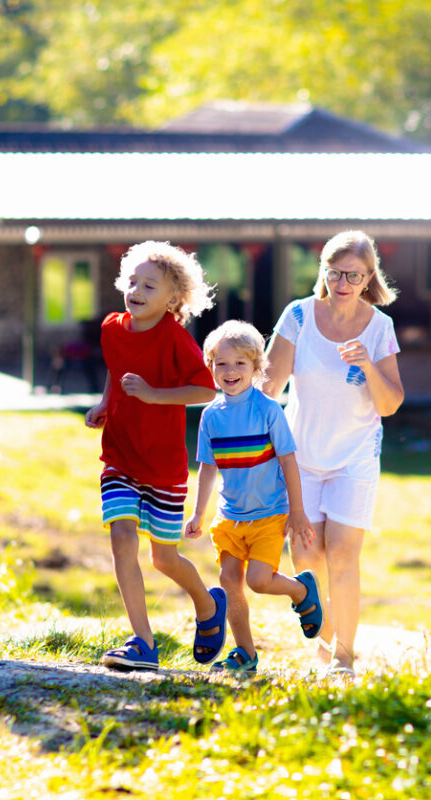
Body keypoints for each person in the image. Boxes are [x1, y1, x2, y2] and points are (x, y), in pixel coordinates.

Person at [263, 230, 404, 676]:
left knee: (342, 554)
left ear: (368, 278)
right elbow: (269, 385)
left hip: (355, 458)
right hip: (299, 458)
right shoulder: (298, 317)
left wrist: (366, 364)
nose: (342, 282)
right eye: (334, 272)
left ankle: (343, 657)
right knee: (306, 558)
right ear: (322, 270)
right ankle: (320, 650)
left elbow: (390, 404)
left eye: (353, 275)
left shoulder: (381, 327)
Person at [85, 241, 226, 671]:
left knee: (163, 557)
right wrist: (106, 403)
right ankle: (142, 643)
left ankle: (207, 605)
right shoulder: (111, 328)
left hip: (164, 467)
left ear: (173, 299)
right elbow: (115, 367)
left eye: (149, 284)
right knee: (122, 538)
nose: (137, 290)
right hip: (121, 458)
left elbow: (205, 389)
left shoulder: (175, 338)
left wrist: (153, 394)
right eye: (132, 281)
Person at [183, 321, 323, 675]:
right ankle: (245, 653)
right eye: (222, 364)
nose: (231, 372)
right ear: (211, 367)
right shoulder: (211, 416)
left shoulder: (268, 410)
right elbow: (208, 468)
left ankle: (301, 591)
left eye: (240, 364)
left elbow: (289, 461)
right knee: (230, 582)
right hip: (230, 517)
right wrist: (199, 513)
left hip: (269, 514)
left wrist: (297, 511)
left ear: (256, 367)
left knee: (259, 581)